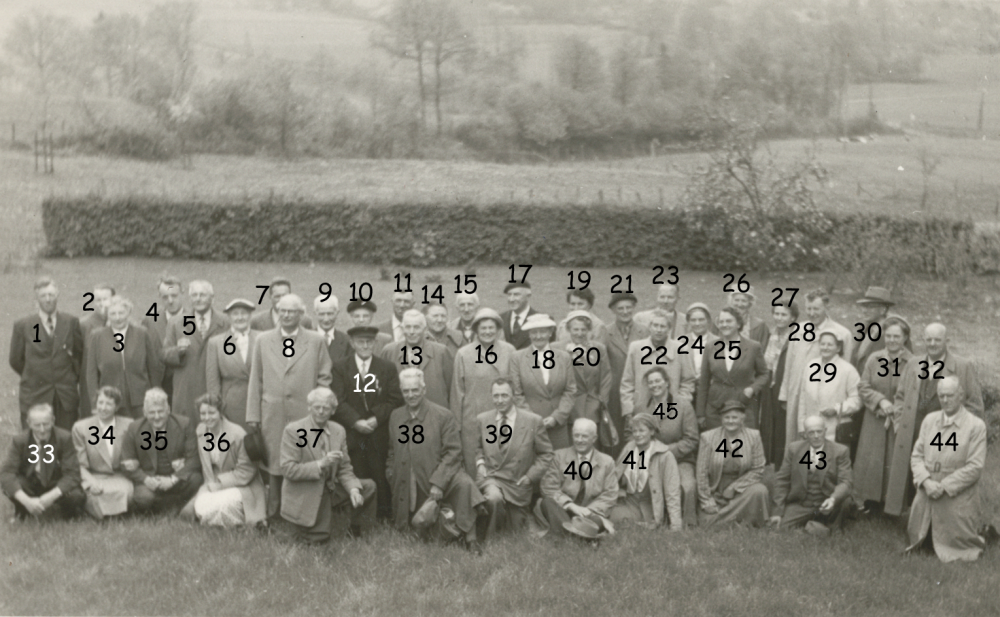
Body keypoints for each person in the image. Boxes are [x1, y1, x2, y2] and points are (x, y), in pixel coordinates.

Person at [246, 293, 332, 518]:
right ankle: (274, 514)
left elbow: (324, 377)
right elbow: (256, 379)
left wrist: (319, 410)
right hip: (272, 414)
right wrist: (253, 416)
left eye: (292, 311)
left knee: (303, 461)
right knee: (275, 465)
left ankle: (302, 514)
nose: (286, 315)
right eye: (282, 310)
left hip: (304, 414)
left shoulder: (315, 341)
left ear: (301, 314)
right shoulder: (263, 340)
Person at [885, 323, 983, 517]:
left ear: (946, 341)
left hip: (944, 433)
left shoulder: (962, 367)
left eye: (937, 340)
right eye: (928, 339)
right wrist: (899, 423)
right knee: (912, 472)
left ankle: (939, 518)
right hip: (912, 429)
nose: (932, 344)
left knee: (939, 474)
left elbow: (975, 405)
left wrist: (961, 431)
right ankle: (912, 515)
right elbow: (900, 396)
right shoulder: (914, 363)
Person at [387, 369, 485, 553]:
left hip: (439, 473)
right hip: (409, 477)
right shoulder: (396, 416)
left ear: (424, 389)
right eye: (406, 391)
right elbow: (392, 451)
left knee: (464, 484)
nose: (411, 395)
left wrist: (439, 483)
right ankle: (438, 531)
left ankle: (471, 539)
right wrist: (391, 472)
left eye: (415, 390)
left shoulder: (443, 415)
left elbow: (453, 453)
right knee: (419, 526)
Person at [905, 377, 987, 562]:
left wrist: (942, 486)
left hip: (955, 495)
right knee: (920, 539)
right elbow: (916, 456)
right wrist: (926, 482)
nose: (945, 400)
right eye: (941, 396)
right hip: (927, 490)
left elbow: (975, 467)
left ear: (961, 396)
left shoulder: (976, 426)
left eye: (950, 395)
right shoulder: (930, 420)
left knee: (956, 547)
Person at [279, 387, 377, 543]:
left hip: (330, 487)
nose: (320, 411)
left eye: (326, 408)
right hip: (306, 489)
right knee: (319, 540)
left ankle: (356, 530)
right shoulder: (294, 430)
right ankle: (307, 527)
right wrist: (320, 464)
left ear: (333, 411)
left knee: (368, 487)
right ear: (309, 407)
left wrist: (353, 489)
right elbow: (288, 469)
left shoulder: (338, 430)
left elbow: (344, 468)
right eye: (316, 407)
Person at [329, 325, 403, 521]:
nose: (365, 346)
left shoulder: (386, 368)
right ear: (352, 343)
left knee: (379, 471)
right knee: (355, 470)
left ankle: (383, 516)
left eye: (369, 342)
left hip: (377, 432)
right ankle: (355, 516)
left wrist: (375, 418)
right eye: (360, 342)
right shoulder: (340, 367)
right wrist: (355, 421)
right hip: (352, 433)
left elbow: (395, 399)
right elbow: (337, 400)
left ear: (375, 343)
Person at [474, 378, 553, 538]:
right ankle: (490, 543)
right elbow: (477, 447)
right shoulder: (483, 419)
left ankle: (510, 524)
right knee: (494, 498)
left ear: (514, 396)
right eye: (496, 396)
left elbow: (546, 454)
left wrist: (530, 477)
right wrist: (480, 463)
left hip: (517, 483)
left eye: (504, 395)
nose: (500, 400)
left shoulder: (532, 420)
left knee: (515, 530)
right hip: (491, 476)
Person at [10, 277, 84, 430]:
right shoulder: (23, 325)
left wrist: (68, 377)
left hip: (65, 396)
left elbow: (79, 356)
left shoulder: (71, 322)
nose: (48, 299)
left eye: (51, 295)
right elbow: (16, 360)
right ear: (37, 299)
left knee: (66, 440)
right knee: (36, 443)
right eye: (43, 296)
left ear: (57, 295)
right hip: (35, 394)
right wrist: (36, 373)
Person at [855, 316, 912, 513]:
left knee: (894, 461)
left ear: (905, 338)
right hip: (875, 419)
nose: (892, 340)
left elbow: (914, 392)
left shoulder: (913, 363)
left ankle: (893, 505)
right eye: (888, 336)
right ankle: (871, 502)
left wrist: (896, 408)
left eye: (897, 336)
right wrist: (881, 400)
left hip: (900, 421)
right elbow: (863, 386)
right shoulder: (874, 358)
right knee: (873, 460)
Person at [451, 308, 518, 476]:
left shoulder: (509, 351)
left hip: (502, 417)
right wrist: (456, 426)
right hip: (472, 420)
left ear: (497, 329)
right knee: (475, 467)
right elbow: (457, 392)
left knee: (502, 464)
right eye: (483, 328)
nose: (488, 332)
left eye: (491, 328)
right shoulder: (464, 354)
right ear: (476, 330)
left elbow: (516, 386)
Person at [779, 289, 854, 432]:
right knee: (795, 435)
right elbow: (788, 365)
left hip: (823, 397)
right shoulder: (798, 330)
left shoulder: (842, 334)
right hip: (796, 393)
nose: (812, 313)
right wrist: (785, 395)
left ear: (826, 308)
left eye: (816, 309)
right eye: (809, 308)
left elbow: (846, 370)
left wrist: (839, 404)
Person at [186, 393, 266, 527]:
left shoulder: (237, 434)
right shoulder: (201, 431)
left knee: (223, 505)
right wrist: (209, 487)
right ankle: (221, 520)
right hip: (212, 485)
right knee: (201, 505)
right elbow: (207, 468)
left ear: (221, 412)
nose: (207, 418)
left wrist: (219, 484)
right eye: (203, 413)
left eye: (211, 413)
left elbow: (246, 471)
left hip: (241, 486)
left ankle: (239, 521)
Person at [121, 388, 202, 515]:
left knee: (196, 479)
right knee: (144, 498)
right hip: (150, 481)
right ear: (144, 412)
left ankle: (166, 505)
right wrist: (146, 479)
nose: (157, 417)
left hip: (175, 479)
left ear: (168, 410)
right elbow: (126, 464)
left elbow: (194, 459)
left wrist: (173, 479)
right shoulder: (134, 428)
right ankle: (171, 506)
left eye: (160, 411)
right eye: (152, 412)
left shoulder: (184, 424)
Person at [770, 415, 854, 534]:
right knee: (780, 527)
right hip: (803, 504)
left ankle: (825, 527)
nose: (816, 436)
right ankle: (819, 527)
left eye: (819, 431)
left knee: (845, 501)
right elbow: (782, 480)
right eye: (811, 432)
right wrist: (777, 512)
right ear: (804, 434)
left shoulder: (840, 451)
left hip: (827, 503)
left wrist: (833, 499)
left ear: (825, 431)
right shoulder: (794, 449)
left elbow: (846, 482)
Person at [161, 280, 230, 424]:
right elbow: (164, 354)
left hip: (215, 388)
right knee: (186, 432)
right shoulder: (176, 322)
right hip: (186, 390)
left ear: (212, 297)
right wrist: (177, 351)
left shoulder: (225, 322)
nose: (198, 299)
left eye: (202, 295)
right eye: (194, 295)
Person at [1, 403, 85, 521]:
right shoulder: (20, 441)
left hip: (55, 482)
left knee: (76, 495)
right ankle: (24, 511)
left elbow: (73, 474)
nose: (42, 430)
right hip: (31, 482)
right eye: (37, 425)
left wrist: (51, 496)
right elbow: (6, 473)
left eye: (46, 424)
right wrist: (26, 501)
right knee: (13, 485)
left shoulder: (64, 438)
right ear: (29, 423)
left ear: (53, 421)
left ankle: (67, 515)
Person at [537, 418, 618, 537]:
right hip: (563, 509)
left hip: (590, 512)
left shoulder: (607, 462)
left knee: (597, 520)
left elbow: (610, 494)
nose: (579, 440)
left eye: (584, 436)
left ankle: (564, 533)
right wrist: (571, 506)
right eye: (576, 436)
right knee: (547, 502)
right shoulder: (558, 456)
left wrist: (588, 511)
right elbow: (548, 488)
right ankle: (578, 535)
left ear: (594, 438)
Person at [85, 296, 164, 418]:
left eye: (121, 313)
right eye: (113, 313)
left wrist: (156, 396)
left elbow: (153, 368)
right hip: (111, 401)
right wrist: (95, 403)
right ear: (107, 315)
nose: (117, 318)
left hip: (140, 400)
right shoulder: (97, 336)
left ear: (128, 313)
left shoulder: (141, 333)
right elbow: (91, 373)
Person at [696, 400, 770, 528]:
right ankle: (737, 520)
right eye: (727, 417)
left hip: (741, 491)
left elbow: (758, 469)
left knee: (759, 491)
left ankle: (726, 520)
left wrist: (734, 487)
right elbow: (701, 471)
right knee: (706, 521)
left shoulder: (754, 436)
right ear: (721, 419)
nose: (730, 421)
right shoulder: (708, 437)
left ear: (742, 418)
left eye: (734, 417)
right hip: (716, 491)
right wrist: (707, 500)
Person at [510, 314, 578, 450]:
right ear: (529, 334)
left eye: (543, 331)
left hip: (558, 426)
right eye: (534, 332)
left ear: (550, 332)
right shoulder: (517, 358)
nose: (538, 336)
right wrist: (533, 419)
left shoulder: (563, 357)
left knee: (559, 464)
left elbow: (570, 390)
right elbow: (517, 393)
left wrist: (556, 417)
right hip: (529, 426)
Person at [642, 367, 698, 527]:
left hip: (680, 458)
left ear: (667, 383)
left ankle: (687, 523)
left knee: (687, 486)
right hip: (651, 460)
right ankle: (656, 519)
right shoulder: (643, 407)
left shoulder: (683, 405)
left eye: (658, 381)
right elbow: (635, 435)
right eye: (650, 382)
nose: (654, 385)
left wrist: (666, 452)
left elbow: (692, 439)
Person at [621, 309, 695, 432]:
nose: (658, 329)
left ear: (669, 329)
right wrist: (628, 408)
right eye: (655, 325)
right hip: (642, 407)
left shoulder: (680, 349)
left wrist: (680, 403)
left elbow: (688, 380)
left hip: (672, 409)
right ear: (649, 327)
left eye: (662, 326)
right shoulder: (636, 348)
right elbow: (627, 382)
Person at [695, 307, 768, 431]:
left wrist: (752, 389)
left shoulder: (753, 347)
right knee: (717, 446)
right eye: (721, 322)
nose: (724, 325)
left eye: (729, 321)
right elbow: (704, 382)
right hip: (715, 408)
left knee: (743, 445)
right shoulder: (710, 347)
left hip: (743, 406)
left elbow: (764, 374)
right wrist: (701, 413)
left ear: (738, 324)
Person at [611, 413, 683, 530]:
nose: (637, 435)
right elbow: (615, 476)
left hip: (648, 506)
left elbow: (672, 492)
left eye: (641, 431)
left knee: (623, 523)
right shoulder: (630, 447)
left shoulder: (665, 456)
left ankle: (644, 524)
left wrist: (676, 526)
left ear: (652, 432)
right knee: (603, 514)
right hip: (628, 501)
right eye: (634, 431)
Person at [71, 386, 134, 519]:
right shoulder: (81, 427)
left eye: (109, 404)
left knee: (124, 491)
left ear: (116, 407)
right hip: (94, 476)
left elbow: (136, 455)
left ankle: (115, 515)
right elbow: (79, 464)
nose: (103, 408)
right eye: (100, 402)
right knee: (95, 494)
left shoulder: (128, 425)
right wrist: (91, 482)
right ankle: (106, 515)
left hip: (119, 476)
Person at [787, 331, 861, 444]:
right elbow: (803, 398)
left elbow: (857, 400)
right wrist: (802, 426)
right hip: (812, 429)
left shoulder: (848, 370)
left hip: (835, 429)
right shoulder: (811, 366)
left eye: (830, 345)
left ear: (838, 348)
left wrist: (837, 409)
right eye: (822, 344)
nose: (825, 348)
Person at [379, 309, 454, 408]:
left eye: (416, 327)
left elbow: (452, 389)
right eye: (408, 327)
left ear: (425, 329)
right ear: (402, 328)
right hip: (400, 416)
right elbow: (381, 388)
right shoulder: (389, 351)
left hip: (435, 416)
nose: (411, 332)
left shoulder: (441, 352)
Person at [563, 310, 614, 453]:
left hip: (592, 405)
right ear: (568, 330)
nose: (579, 333)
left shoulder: (598, 349)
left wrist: (601, 401)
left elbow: (605, 377)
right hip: (570, 406)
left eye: (583, 329)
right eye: (575, 329)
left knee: (592, 445)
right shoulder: (560, 349)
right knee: (572, 445)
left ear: (589, 330)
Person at [606, 293, 648, 457]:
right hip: (614, 391)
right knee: (615, 431)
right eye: (620, 308)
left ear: (634, 308)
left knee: (638, 429)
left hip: (638, 388)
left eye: (628, 307)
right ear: (613, 310)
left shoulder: (644, 331)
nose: (625, 311)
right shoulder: (606, 332)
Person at [205, 299, 258, 429]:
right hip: (231, 407)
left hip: (259, 403)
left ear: (250, 315)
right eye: (235, 314)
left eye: (244, 313)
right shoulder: (216, 342)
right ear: (228, 317)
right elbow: (212, 381)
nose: (240, 317)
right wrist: (217, 408)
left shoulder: (263, 338)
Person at [758, 302, 797, 467]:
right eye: (777, 314)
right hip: (769, 383)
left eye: (784, 315)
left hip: (784, 383)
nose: (779, 318)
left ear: (793, 317)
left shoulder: (795, 336)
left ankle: (782, 463)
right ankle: (767, 461)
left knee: (782, 424)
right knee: (767, 422)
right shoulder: (771, 333)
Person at [140, 275, 185, 403]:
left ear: (182, 293)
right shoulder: (150, 320)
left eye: (174, 296)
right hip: (158, 383)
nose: (170, 301)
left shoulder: (193, 319)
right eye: (165, 297)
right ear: (159, 297)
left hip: (182, 382)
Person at [78, 283, 116, 417]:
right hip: (91, 381)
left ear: (113, 299)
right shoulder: (85, 324)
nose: (102, 303)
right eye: (98, 300)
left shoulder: (122, 322)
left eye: (105, 299)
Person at [851, 286, 895, 372]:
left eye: (870, 307)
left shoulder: (892, 333)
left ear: (882, 310)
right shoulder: (863, 328)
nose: (864, 310)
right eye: (864, 306)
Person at [681, 303, 718, 386]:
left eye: (701, 320)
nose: (697, 323)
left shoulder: (718, 342)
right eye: (693, 320)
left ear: (708, 320)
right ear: (688, 322)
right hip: (687, 387)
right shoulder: (680, 342)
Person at [314, 294, 353, 366]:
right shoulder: (306, 340)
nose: (326, 319)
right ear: (315, 313)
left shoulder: (347, 341)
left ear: (337, 313)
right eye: (322, 314)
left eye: (330, 314)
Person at [499, 281, 537, 350]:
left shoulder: (539, 319)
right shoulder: (500, 319)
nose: (511, 299)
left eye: (516, 295)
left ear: (528, 296)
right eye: (509, 295)